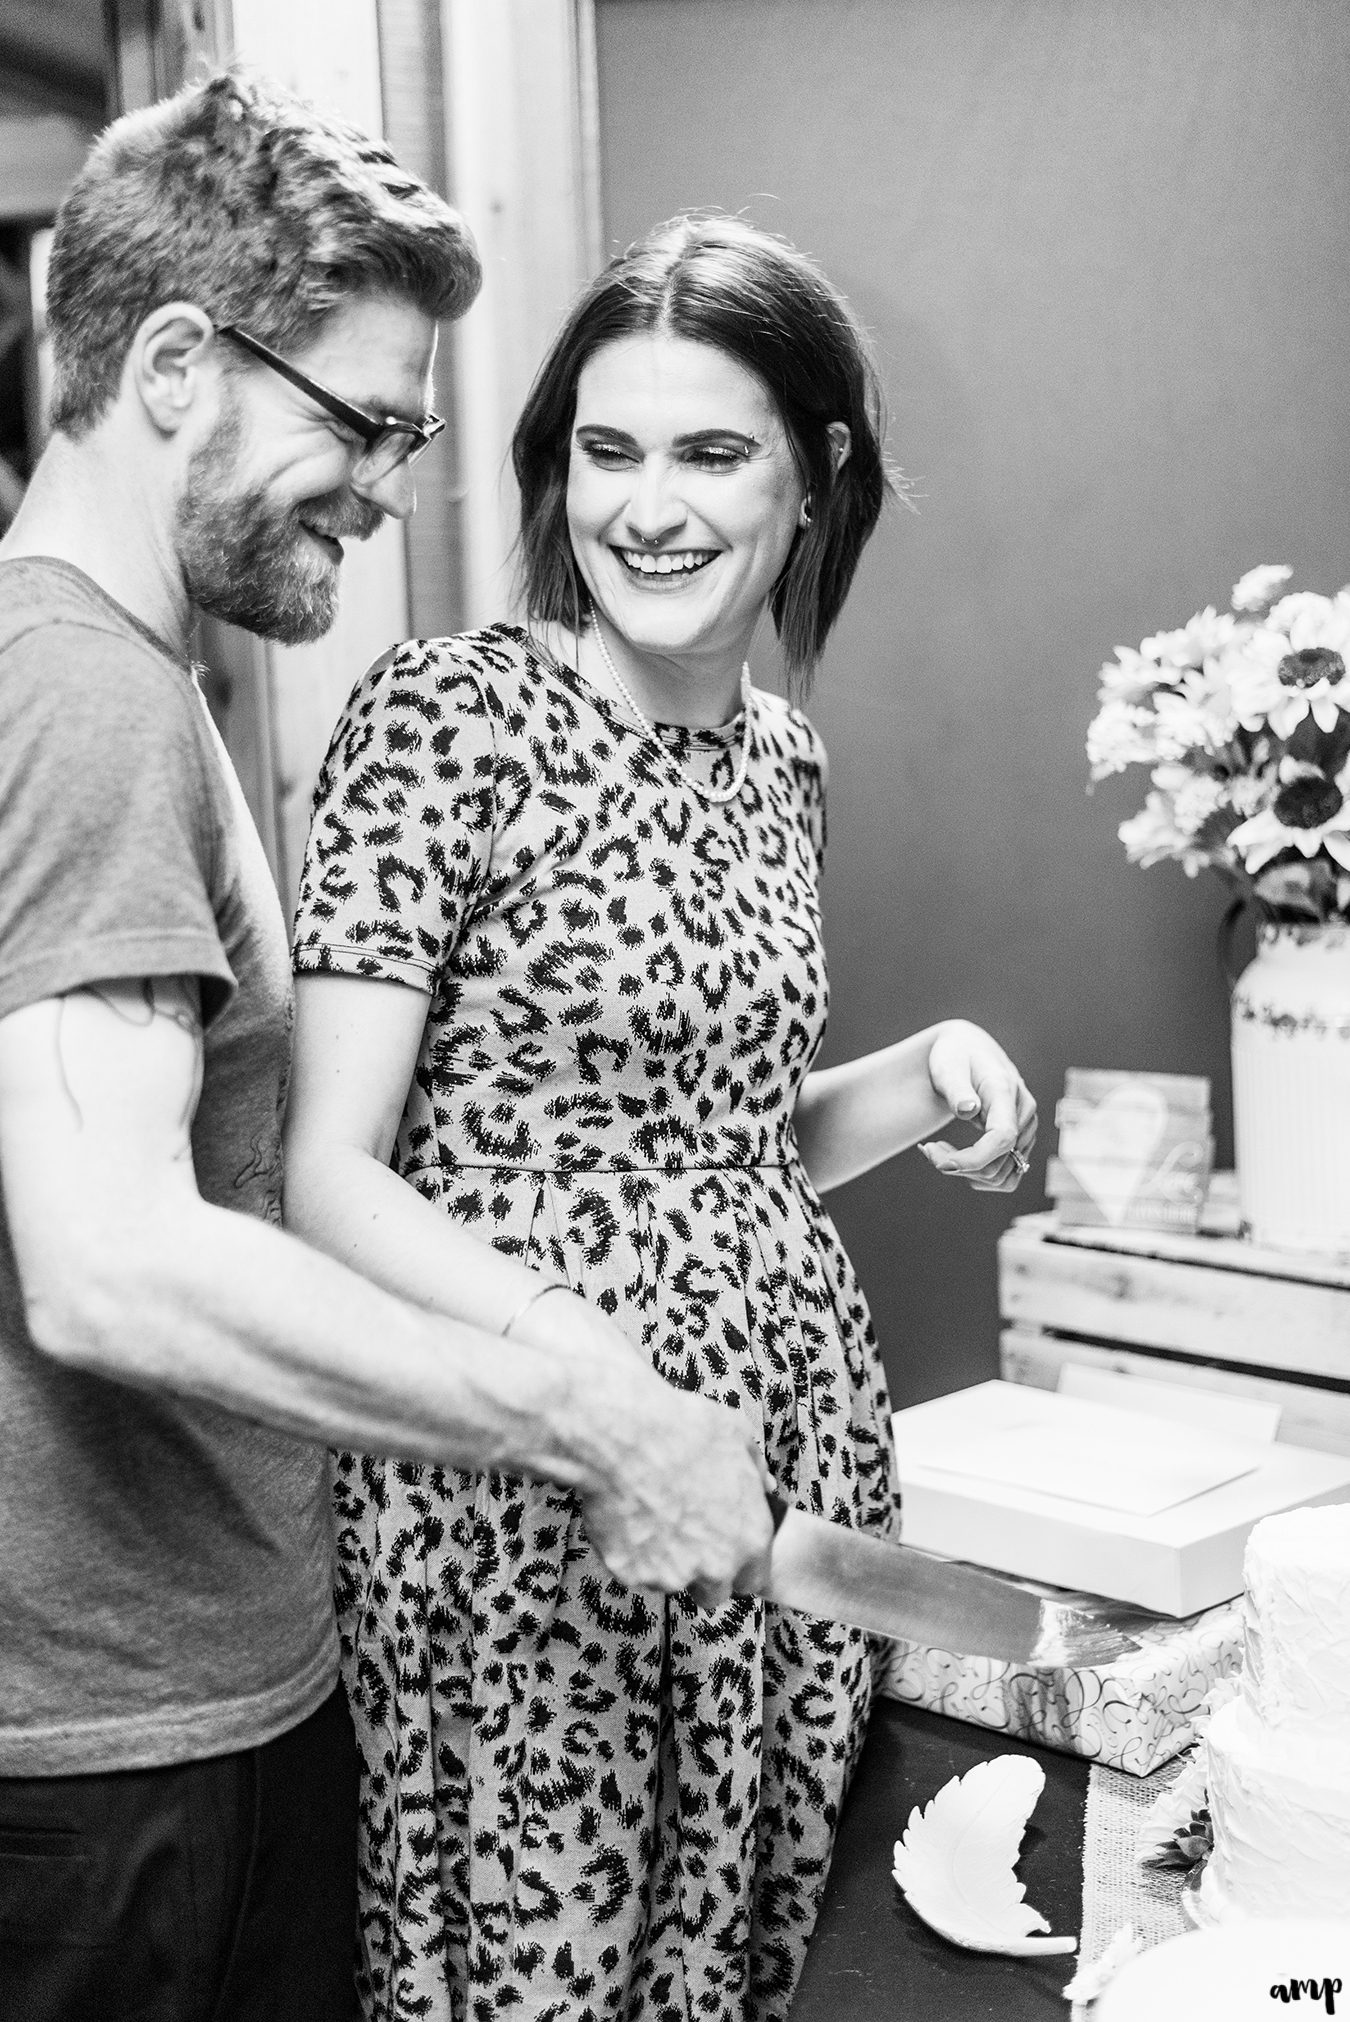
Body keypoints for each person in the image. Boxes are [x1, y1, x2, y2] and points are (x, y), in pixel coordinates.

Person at [0, 86, 772, 2022]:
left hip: (163, 1718)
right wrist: (593, 1428)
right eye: (359, 423)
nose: (385, 486)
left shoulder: (122, 678)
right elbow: (109, 1267)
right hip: (123, 1769)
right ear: (178, 364)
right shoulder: (90, 703)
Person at [284, 212, 1038, 2022]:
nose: (650, 506)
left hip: (779, 1474)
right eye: (607, 451)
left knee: (739, 1956)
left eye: (712, 452)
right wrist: (589, 1370)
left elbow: (720, 1148)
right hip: (532, 1487)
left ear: (814, 476)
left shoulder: (784, 761)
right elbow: (323, 1178)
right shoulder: (446, 715)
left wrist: (924, 1067)